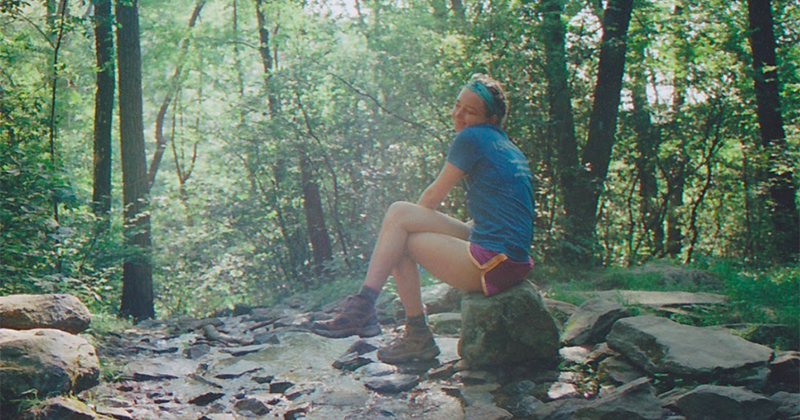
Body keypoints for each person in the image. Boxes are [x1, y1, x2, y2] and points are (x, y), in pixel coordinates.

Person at [311, 73, 534, 364]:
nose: (459, 114)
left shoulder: (471, 137)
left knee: (399, 222)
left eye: (470, 111)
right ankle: (375, 314)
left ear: (491, 118)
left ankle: (383, 316)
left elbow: (430, 199)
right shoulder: (506, 145)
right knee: (401, 224)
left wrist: (402, 235)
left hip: (494, 263)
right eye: (457, 105)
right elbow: (503, 214)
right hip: (510, 259)